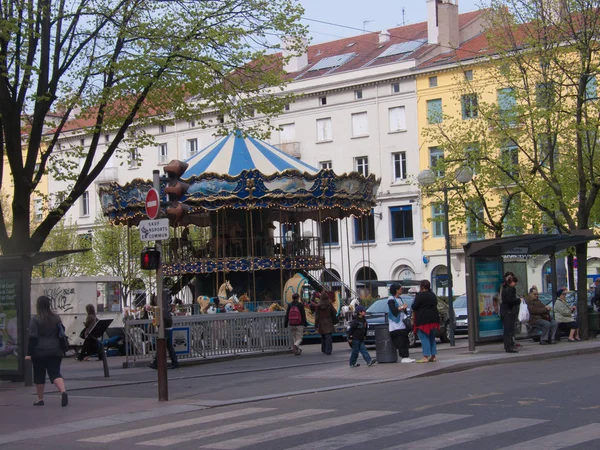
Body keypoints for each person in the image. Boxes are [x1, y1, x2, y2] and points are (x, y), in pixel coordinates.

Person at [26, 295, 69, 407]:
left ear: (38, 305)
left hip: (39, 351)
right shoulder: (56, 317)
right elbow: (62, 330)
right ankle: (63, 391)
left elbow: (33, 337)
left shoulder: (35, 319)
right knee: (55, 373)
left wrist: (29, 353)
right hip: (55, 350)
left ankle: (40, 399)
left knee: (39, 374)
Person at [411, 280, 440, 363]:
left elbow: (414, 306)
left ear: (422, 287)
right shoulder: (433, 295)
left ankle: (425, 356)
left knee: (424, 337)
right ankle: (433, 356)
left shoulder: (420, 295)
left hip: (423, 319)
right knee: (431, 337)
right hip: (433, 319)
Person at [387, 283, 414, 363]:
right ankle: (404, 356)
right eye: (401, 289)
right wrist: (402, 307)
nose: (402, 290)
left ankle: (406, 356)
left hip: (402, 323)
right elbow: (394, 311)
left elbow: (403, 311)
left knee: (405, 339)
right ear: (396, 290)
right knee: (400, 340)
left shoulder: (400, 298)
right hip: (395, 324)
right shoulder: (391, 299)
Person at [148, 302, 179, 369]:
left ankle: (156, 363)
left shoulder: (165, 313)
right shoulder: (168, 313)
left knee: (162, 346)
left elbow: (165, 320)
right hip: (168, 329)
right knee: (169, 347)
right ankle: (174, 362)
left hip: (165, 330)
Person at [500, 274, 521, 353]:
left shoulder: (505, 288)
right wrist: (519, 300)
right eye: (515, 283)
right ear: (512, 282)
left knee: (507, 330)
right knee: (509, 330)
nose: (515, 284)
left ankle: (508, 346)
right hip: (508, 311)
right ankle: (509, 347)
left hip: (505, 311)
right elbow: (510, 300)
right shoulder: (510, 289)